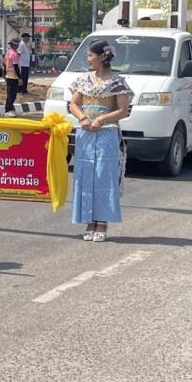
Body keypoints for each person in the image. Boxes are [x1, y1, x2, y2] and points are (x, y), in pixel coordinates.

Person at [69, 39, 133, 242]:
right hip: (85, 132)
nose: (88, 59)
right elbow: (73, 104)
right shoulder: (83, 80)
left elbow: (122, 111)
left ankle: (102, 221)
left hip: (107, 133)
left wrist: (101, 119)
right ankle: (88, 220)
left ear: (102, 57)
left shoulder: (117, 82)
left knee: (103, 175)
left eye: (91, 55)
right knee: (85, 174)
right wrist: (83, 118)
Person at [3, 37, 21, 115]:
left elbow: (4, 64)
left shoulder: (8, 52)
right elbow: (16, 66)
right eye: (17, 45)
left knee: (9, 94)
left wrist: (4, 74)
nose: (18, 46)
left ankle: (10, 108)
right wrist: (20, 77)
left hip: (8, 75)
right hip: (13, 76)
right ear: (14, 45)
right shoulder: (14, 54)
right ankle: (8, 109)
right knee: (13, 94)